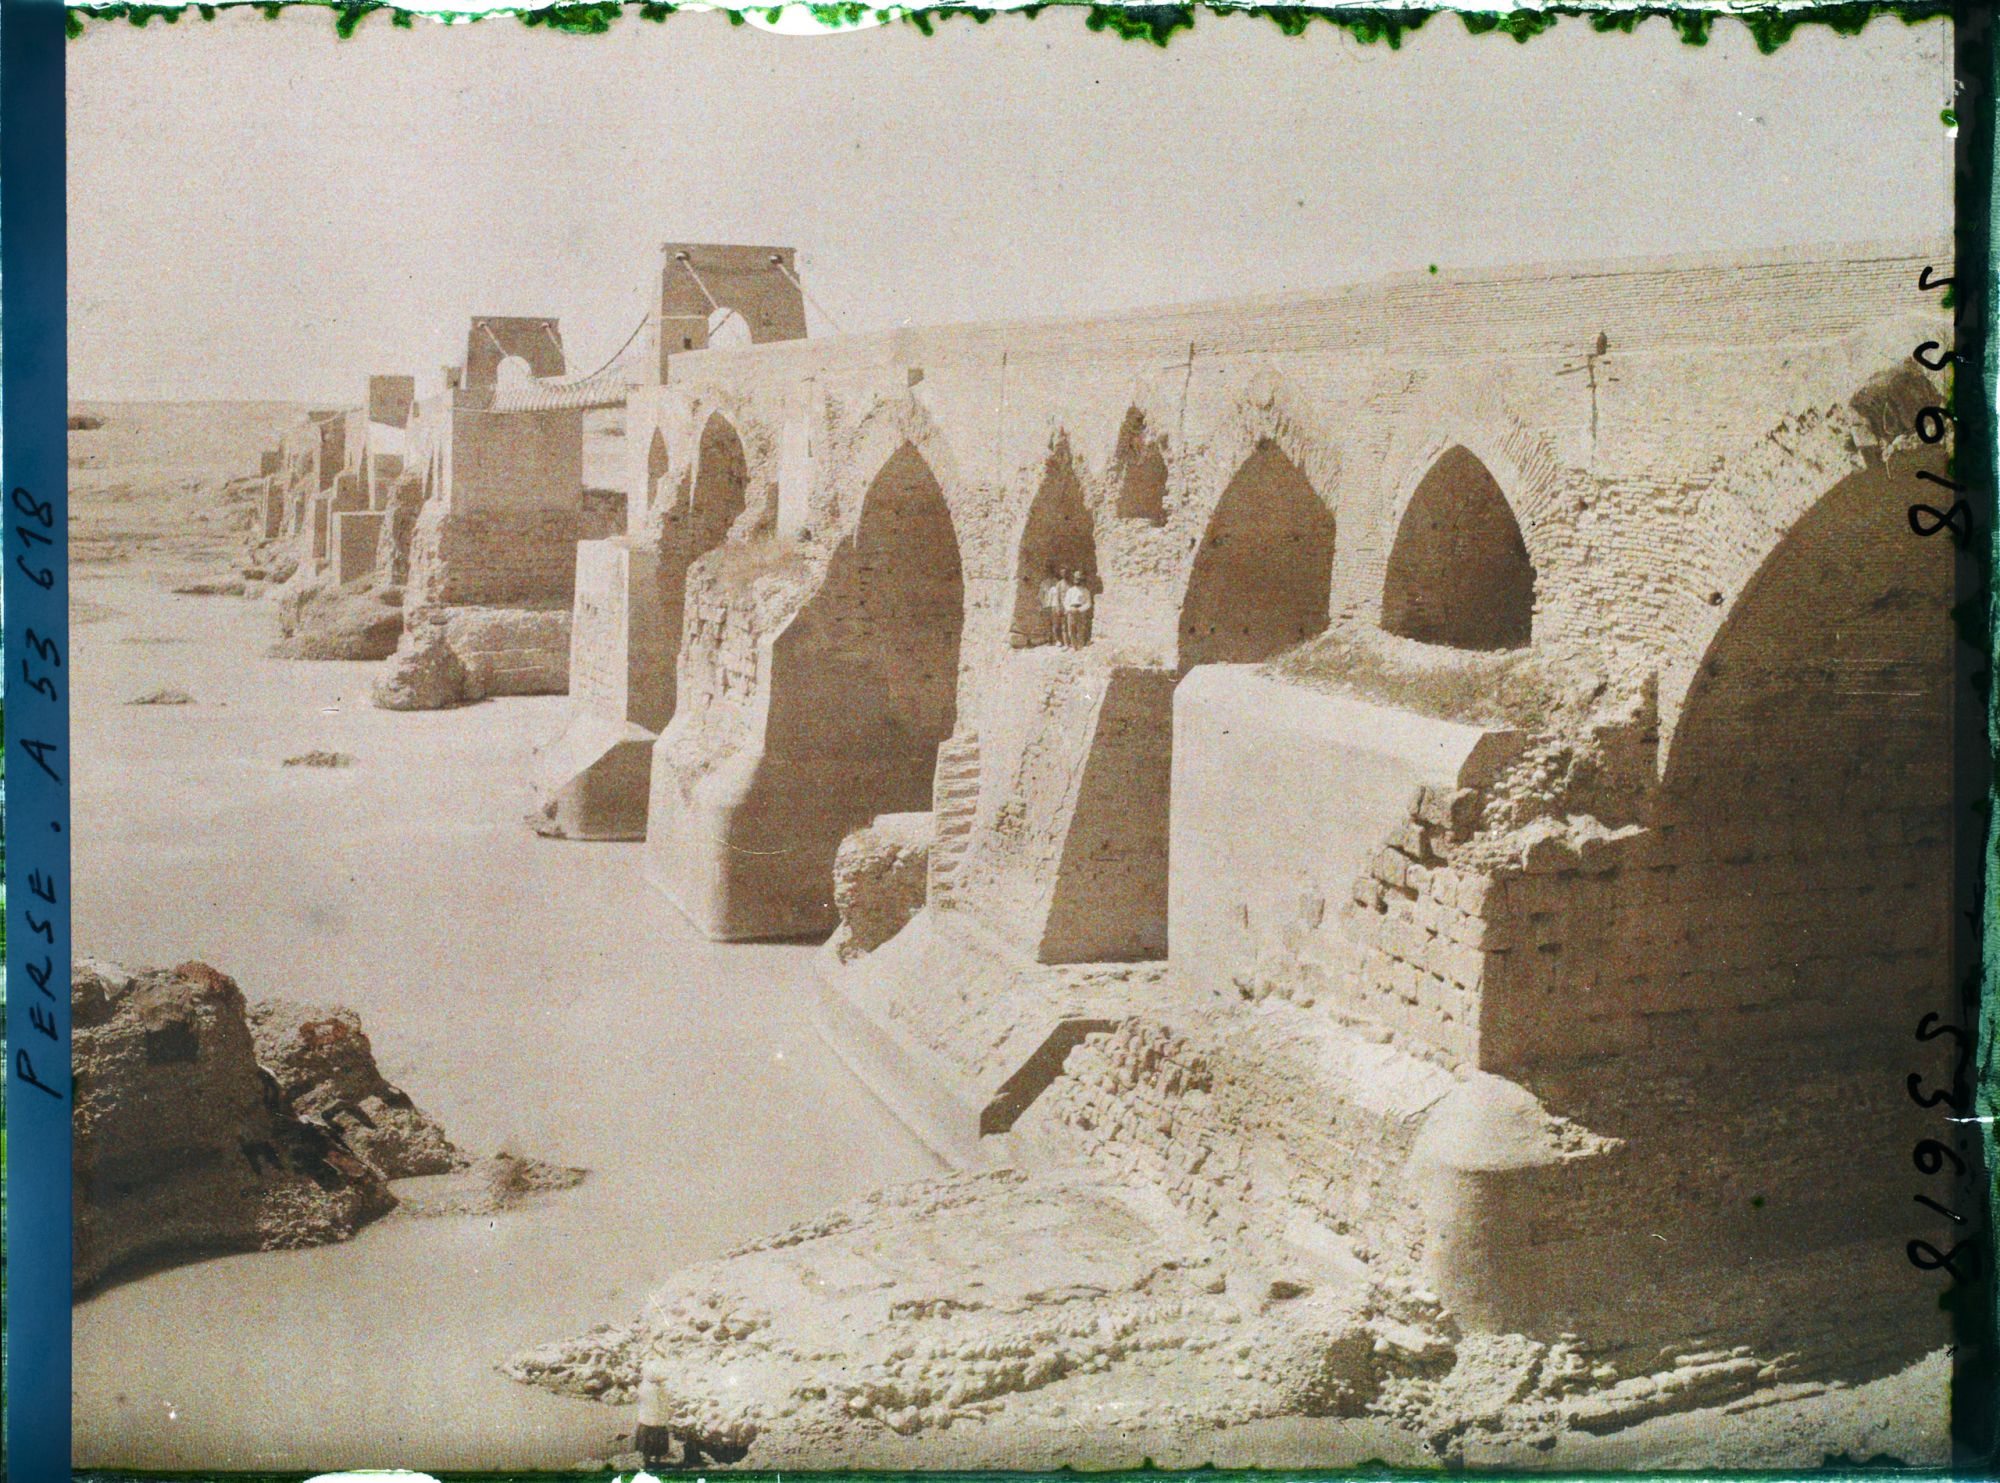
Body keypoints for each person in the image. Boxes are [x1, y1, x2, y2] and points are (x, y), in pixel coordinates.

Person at [635, 1358, 673, 1471]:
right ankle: (655, 1461)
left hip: (647, 1418)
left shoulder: (644, 1386)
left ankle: (646, 1461)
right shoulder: (658, 1388)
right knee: (657, 1439)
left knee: (647, 1439)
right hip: (656, 1419)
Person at [1063, 569, 1094, 648]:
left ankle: (1080, 645)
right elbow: (1066, 602)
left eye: (1079, 579)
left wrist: (1080, 610)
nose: (1077, 581)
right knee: (1071, 629)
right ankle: (1074, 646)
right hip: (1072, 610)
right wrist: (1070, 609)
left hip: (1081, 611)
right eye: (1076, 579)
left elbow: (1088, 603)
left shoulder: (1085, 591)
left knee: (1081, 628)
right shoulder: (1070, 591)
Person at [1039, 564, 1065, 647]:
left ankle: (1057, 640)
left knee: (1056, 623)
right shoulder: (1043, 583)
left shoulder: (1057, 582)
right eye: (1047, 572)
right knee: (1047, 624)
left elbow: (1060, 595)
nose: (1049, 573)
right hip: (1046, 605)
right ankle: (1049, 640)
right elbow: (1040, 595)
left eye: (1050, 571)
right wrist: (1042, 605)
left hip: (1054, 605)